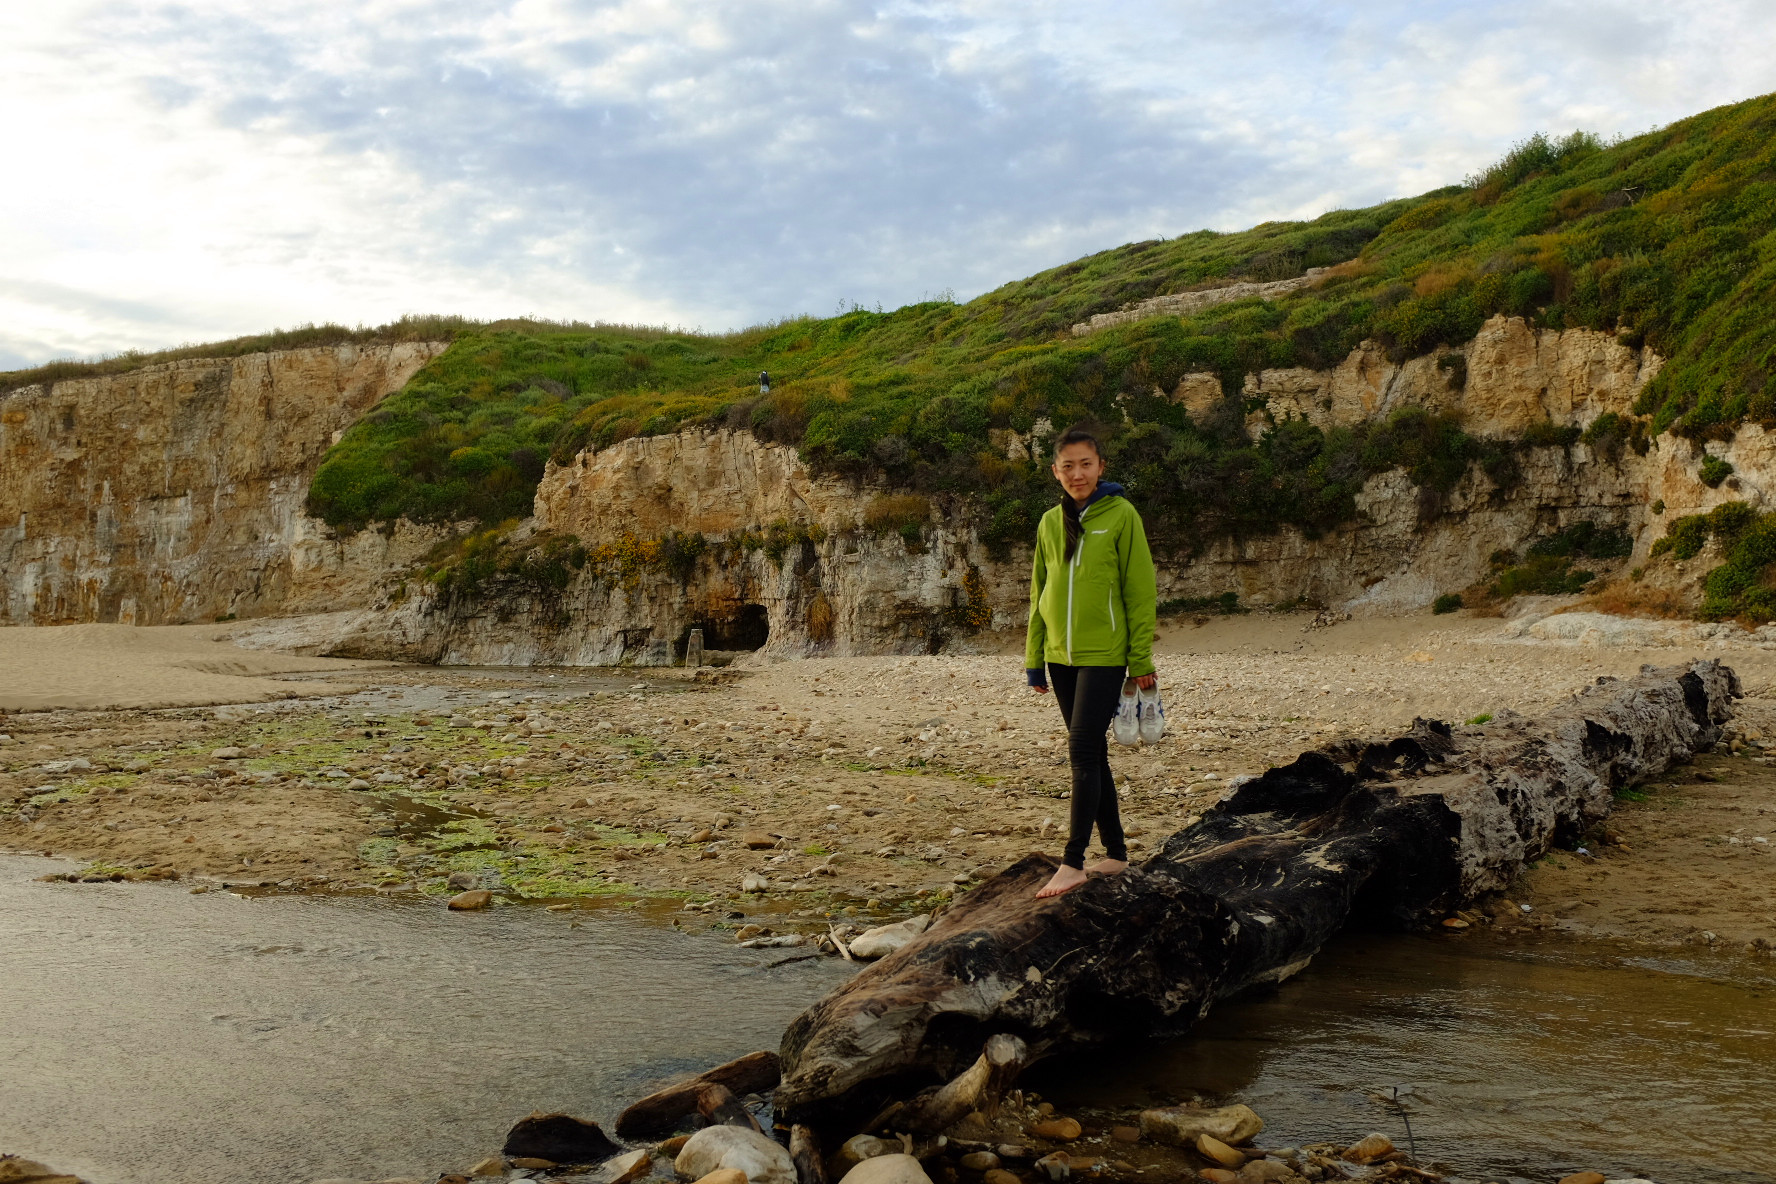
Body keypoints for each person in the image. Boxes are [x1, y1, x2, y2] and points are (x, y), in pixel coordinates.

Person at [1024, 426, 1158, 899]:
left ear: (1101, 467)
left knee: (1081, 749)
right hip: (1060, 658)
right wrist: (1034, 658)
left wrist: (1140, 657)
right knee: (1093, 755)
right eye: (1068, 466)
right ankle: (1117, 854)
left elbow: (1140, 592)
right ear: (1055, 471)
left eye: (1086, 464)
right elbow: (1039, 592)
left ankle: (1073, 861)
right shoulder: (1047, 523)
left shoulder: (1122, 516)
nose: (1077, 473)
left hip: (1105, 656)